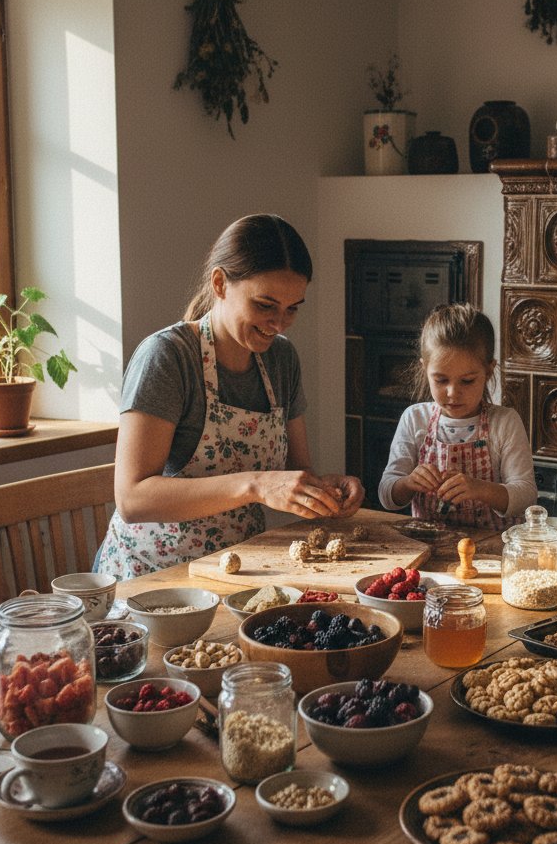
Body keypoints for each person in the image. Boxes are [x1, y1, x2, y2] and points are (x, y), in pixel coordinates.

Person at [97, 215, 364, 579]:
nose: (279, 323)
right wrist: (254, 485)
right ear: (220, 283)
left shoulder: (282, 359)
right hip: (152, 576)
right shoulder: (168, 357)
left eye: (292, 308)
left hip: (240, 569)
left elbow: (294, 472)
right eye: (265, 305)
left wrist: (324, 490)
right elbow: (132, 499)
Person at [378, 303, 536, 530]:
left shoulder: (504, 423)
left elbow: (526, 496)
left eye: (467, 381)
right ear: (425, 370)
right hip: (427, 546)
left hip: (490, 551)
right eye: (441, 380)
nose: (453, 393)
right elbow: (387, 494)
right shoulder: (415, 419)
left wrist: (480, 489)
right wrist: (409, 483)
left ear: (489, 371)